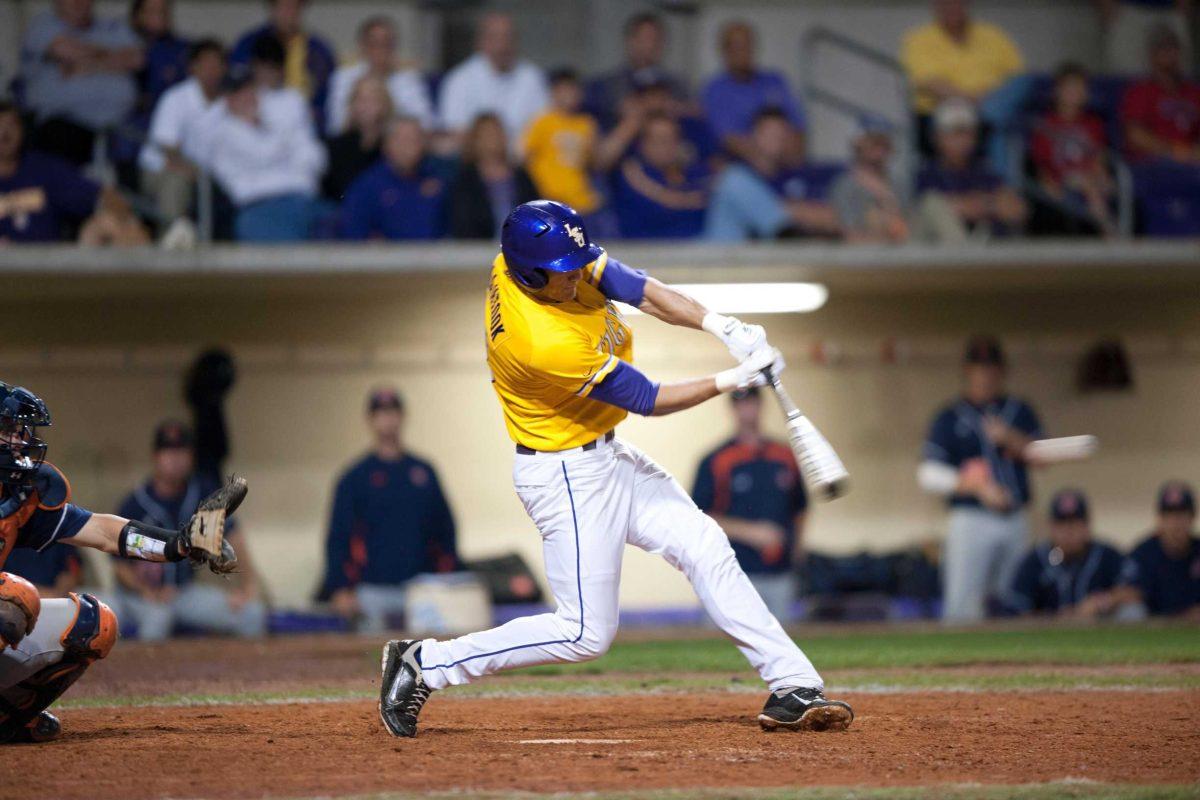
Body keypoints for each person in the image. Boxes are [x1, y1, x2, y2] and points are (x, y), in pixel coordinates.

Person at [377, 200, 853, 739]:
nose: (578, 275)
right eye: (564, 273)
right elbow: (646, 398)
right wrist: (733, 378)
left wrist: (721, 324)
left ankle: (793, 683)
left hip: (606, 456)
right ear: (529, 274)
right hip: (565, 477)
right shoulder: (538, 339)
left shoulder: (540, 255)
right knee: (584, 633)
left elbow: (638, 288)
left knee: (704, 545)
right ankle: (426, 663)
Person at [0, 382, 243, 743]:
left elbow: (102, 531)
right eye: (9, 430)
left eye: (21, 430)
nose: (21, 440)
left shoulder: (21, 494)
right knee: (14, 598)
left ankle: (6, 718)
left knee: (93, 624)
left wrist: (176, 545)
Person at [918, 335, 1046, 624]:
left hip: (1015, 516)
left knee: (1012, 599)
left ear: (1002, 371)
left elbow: (1043, 457)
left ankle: (1011, 664)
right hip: (970, 517)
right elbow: (928, 474)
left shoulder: (1019, 411)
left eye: (991, 368)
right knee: (963, 603)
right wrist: (976, 486)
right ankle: (959, 667)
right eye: (979, 368)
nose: (986, 375)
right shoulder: (949, 416)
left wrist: (1009, 438)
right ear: (967, 371)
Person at [112, 420, 266, 641]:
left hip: (184, 593)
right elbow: (119, 566)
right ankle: (147, 677)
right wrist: (146, 591)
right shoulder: (135, 503)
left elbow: (233, 536)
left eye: (181, 451)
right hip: (141, 595)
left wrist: (249, 587)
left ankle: (243, 677)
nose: (175, 458)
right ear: (155, 457)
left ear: (191, 456)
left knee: (251, 613)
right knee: (158, 618)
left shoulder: (203, 493)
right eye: (168, 451)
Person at [323, 388, 459, 633]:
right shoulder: (355, 477)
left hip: (422, 589)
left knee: (424, 657)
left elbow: (445, 530)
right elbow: (338, 536)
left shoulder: (423, 472)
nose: (388, 419)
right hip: (371, 590)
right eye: (381, 413)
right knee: (373, 661)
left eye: (392, 412)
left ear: (403, 416)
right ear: (370, 419)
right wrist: (340, 588)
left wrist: (446, 578)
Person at [692, 387, 808, 623]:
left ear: (760, 406)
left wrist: (796, 549)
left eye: (752, 403)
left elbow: (800, 507)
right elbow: (698, 516)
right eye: (741, 404)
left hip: (779, 573)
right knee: (723, 647)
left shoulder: (783, 455)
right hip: (732, 573)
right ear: (733, 409)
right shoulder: (716, 460)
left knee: (783, 644)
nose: (747, 410)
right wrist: (752, 533)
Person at [900, 0, 1030, 173]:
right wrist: (974, 100)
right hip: (937, 112)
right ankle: (991, 184)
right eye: (946, 4)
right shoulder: (918, 38)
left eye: (958, 3)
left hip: (989, 109)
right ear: (935, 6)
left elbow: (1017, 76)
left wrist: (990, 99)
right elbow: (927, 81)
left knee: (1008, 117)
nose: (952, 7)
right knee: (989, 123)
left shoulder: (993, 35)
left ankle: (1002, 186)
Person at [204, 69, 327, 242]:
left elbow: (316, 158)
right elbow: (261, 154)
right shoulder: (221, 133)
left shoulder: (275, 122)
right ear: (227, 100)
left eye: (249, 90)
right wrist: (288, 151)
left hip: (304, 202)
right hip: (260, 209)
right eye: (238, 93)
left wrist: (283, 151)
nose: (247, 97)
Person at [0, 102, 146, 245]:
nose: (5, 132)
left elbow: (102, 195)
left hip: (48, 262)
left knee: (109, 223)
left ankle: (153, 267)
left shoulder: (43, 169)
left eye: (11, 125)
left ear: (22, 130)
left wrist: (123, 217)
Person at [19, 0, 144, 165]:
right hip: (65, 122)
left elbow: (137, 59)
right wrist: (113, 58)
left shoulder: (112, 27)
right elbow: (66, 50)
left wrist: (85, 65)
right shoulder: (44, 25)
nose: (78, 2)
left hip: (120, 124)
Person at [705, 108, 840, 241]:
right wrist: (794, 210)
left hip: (773, 254)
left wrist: (789, 210)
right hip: (729, 255)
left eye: (780, 134)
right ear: (754, 135)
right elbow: (788, 230)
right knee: (733, 179)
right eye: (769, 134)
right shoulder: (737, 177)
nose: (775, 140)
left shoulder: (795, 177)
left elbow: (831, 219)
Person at [138, 39, 226, 236]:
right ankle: (171, 248)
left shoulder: (227, 103)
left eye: (217, 64)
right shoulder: (176, 97)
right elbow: (169, 152)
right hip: (159, 169)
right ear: (193, 68)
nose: (212, 70)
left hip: (202, 174)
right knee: (177, 181)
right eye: (206, 63)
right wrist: (199, 173)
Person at [1009, 489, 1135, 618]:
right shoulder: (1034, 561)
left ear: (1087, 526)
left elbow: (1134, 591)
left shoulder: (1106, 555)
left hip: (1102, 630)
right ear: (1051, 527)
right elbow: (1017, 608)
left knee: (1132, 612)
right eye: (1062, 524)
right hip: (1048, 633)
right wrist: (1057, 618)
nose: (1069, 531)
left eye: (1074, 523)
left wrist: (1101, 602)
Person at [916, 99, 1027, 241]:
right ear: (936, 137)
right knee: (932, 204)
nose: (963, 140)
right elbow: (935, 209)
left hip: (988, 252)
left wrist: (981, 205)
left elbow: (1017, 210)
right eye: (955, 133)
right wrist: (989, 204)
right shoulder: (926, 173)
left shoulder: (984, 171)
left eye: (969, 133)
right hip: (943, 255)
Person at [701, 20, 805, 167]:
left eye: (746, 45)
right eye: (736, 46)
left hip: (785, 162)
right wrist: (763, 161)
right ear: (724, 51)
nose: (742, 52)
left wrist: (793, 158)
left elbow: (797, 127)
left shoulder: (775, 81)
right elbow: (728, 138)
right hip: (742, 166)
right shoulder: (715, 89)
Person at [1029, 63, 1116, 237]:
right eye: (1070, 87)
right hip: (1063, 178)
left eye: (1080, 87)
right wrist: (1049, 184)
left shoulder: (1094, 123)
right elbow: (1041, 165)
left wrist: (1100, 172)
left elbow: (1099, 156)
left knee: (1109, 186)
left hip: (1090, 175)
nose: (1075, 92)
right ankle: (1111, 235)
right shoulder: (1046, 125)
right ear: (1057, 91)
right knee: (1090, 188)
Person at [437, 13, 548, 148]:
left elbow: (545, 128)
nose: (502, 45)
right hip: (476, 163)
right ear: (481, 42)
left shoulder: (532, 78)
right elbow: (456, 132)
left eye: (508, 37)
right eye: (495, 38)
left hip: (526, 159)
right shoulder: (459, 80)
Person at [229, 0, 336, 132]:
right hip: (255, 123)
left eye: (294, 7)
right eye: (283, 7)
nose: (288, 13)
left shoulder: (319, 50)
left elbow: (328, 94)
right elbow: (235, 84)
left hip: (307, 126)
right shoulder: (249, 44)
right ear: (272, 8)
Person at [338, 116, 447, 240]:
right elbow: (354, 232)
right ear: (387, 145)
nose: (409, 146)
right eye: (403, 140)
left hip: (434, 256)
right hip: (384, 257)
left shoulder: (437, 182)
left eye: (415, 140)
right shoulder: (367, 186)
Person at [325, 16, 434, 136]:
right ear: (362, 46)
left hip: (397, 146)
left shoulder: (409, 79)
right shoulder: (343, 77)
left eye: (387, 43)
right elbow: (336, 125)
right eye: (375, 43)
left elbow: (426, 123)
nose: (381, 50)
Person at [584, 12, 688, 131]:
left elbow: (693, 112)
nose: (650, 45)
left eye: (656, 39)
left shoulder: (678, 85)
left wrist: (671, 106)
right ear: (630, 41)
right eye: (644, 38)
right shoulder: (605, 85)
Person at [611, 113, 709, 238]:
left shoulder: (692, 172)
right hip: (648, 248)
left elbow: (707, 201)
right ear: (642, 143)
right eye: (659, 140)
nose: (666, 146)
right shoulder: (632, 172)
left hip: (700, 245)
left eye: (671, 139)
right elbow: (657, 212)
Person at [522, 69, 602, 218]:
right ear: (553, 93)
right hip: (551, 200)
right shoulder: (542, 122)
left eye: (573, 89)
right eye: (563, 90)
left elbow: (595, 162)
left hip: (582, 202)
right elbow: (527, 157)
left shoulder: (587, 124)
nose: (569, 95)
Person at [449, 113, 537, 239]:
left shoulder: (521, 176)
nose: (493, 139)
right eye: (487, 135)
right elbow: (463, 222)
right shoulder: (466, 181)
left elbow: (536, 213)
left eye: (497, 133)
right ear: (475, 141)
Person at [1121, 25, 1200, 163]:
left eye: (1174, 48)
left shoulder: (1193, 91)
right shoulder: (1140, 91)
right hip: (1155, 162)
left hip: (1192, 160)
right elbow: (1135, 136)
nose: (1171, 54)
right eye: (1164, 49)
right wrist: (1176, 151)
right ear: (1152, 55)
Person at [1120, 481, 1200, 618]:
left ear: (1192, 518)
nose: (1176, 523)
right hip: (1151, 627)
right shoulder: (1143, 553)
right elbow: (1126, 592)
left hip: (1193, 628)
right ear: (1160, 519)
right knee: (1131, 612)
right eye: (1169, 515)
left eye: (1181, 515)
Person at [829, 121, 910, 243]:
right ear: (858, 144)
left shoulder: (899, 184)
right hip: (861, 258)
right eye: (872, 141)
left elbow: (907, 233)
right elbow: (851, 237)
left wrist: (886, 196)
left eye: (883, 142)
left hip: (902, 256)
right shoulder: (845, 185)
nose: (878, 148)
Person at [322, 74, 391, 201]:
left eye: (373, 99)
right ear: (351, 105)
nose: (366, 106)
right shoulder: (334, 147)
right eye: (361, 99)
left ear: (385, 105)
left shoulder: (393, 148)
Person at [1097, 0, 1193, 74]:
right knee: (1125, 73)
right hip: (1128, 11)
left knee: (1176, 76)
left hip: (1172, 11)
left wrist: (1184, 9)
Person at [130, 0, 190, 114]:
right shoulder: (122, 44)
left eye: (163, 11)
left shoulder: (182, 49)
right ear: (137, 16)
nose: (160, 16)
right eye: (153, 11)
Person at [2, 547, 81, 600]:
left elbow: (70, 573)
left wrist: (57, 597)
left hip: (53, 604)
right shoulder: (7, 538)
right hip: (14, 602)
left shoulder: (59, 535)